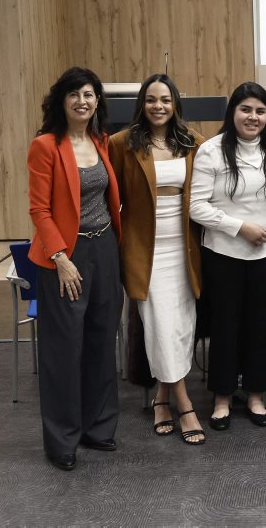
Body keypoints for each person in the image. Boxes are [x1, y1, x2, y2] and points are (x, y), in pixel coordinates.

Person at [27, 66, 123, 471]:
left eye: (88, 94)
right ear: (61, 101)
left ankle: (97, 428)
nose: (82, 101)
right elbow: (40, 210)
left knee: (102, 340)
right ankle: (62, 440)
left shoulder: (101, 141)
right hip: (65, 257)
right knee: (63, 349)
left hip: (105, 248)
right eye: (74, 94)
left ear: (97, 101)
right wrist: (60, 258)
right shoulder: (46, 145)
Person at [108, 73, 205, 445]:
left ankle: (161, 398)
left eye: (165, 99)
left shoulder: (193, 142)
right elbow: (108, 197)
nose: (158, 106)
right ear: (142, 104)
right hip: (144, 252)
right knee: (160, 326)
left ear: (175, 103)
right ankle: (184, 403)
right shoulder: (121, 143)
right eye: (151, 100)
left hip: (185, 250)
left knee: (180, 328)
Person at [190, 81, 266, 430]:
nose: (253, 117)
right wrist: (239, 227)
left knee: (259, 327)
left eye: (260, 111)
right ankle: (223, 398)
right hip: (224, 252)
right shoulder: (212, 151)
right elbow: (196, 207)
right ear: (233, 112)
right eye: (246, 109)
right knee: (225, 325)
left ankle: (256, 396)